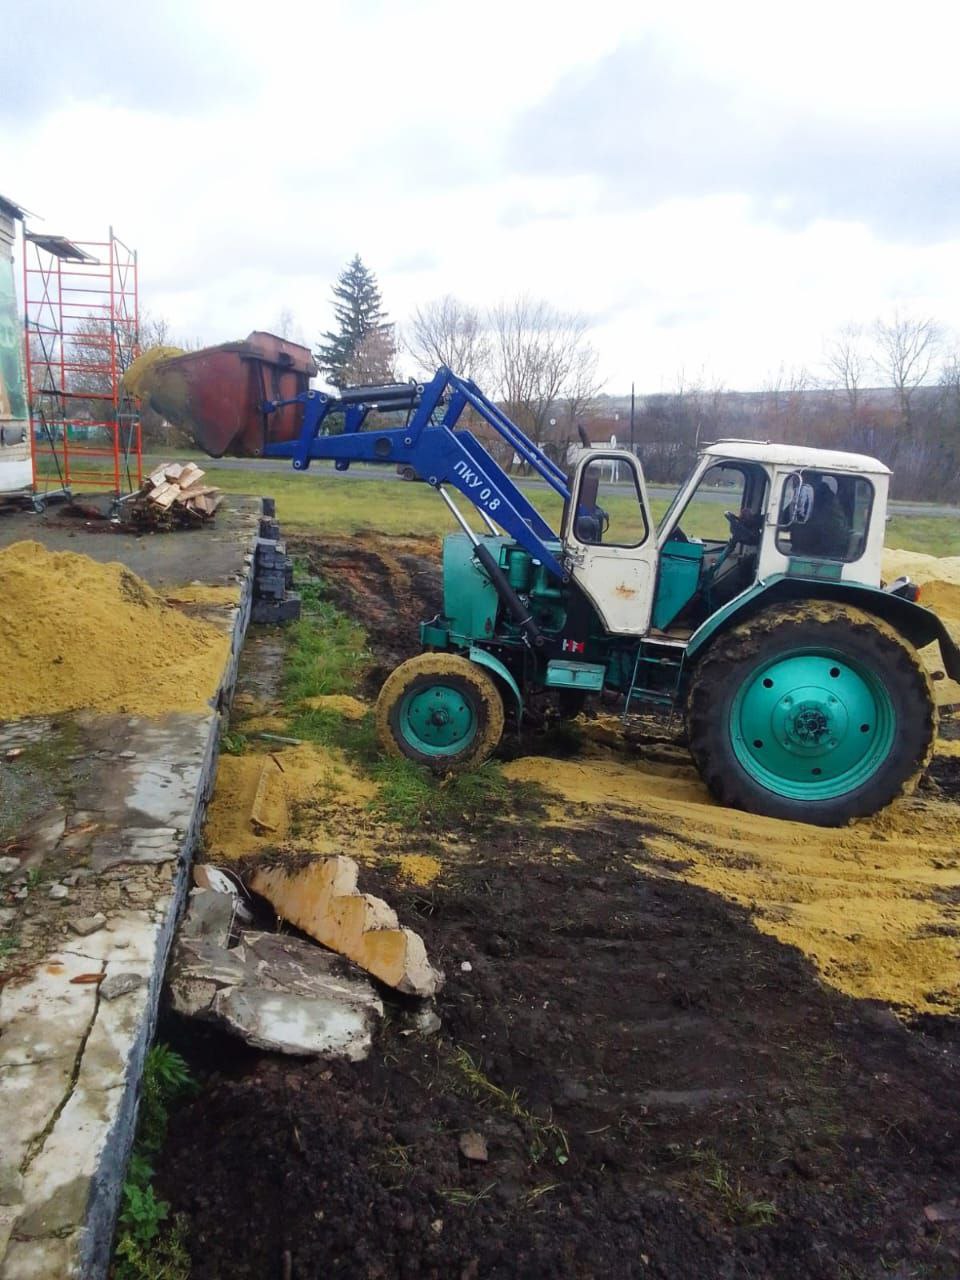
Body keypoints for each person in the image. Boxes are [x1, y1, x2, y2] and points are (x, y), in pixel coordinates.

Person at [791, 475, 849, 559]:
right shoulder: (806, 498)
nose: (794, 482)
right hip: (807, 550)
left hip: (820, 553)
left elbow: (789, 520)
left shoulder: (818, 499)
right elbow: (786, 518)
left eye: (796, 478)